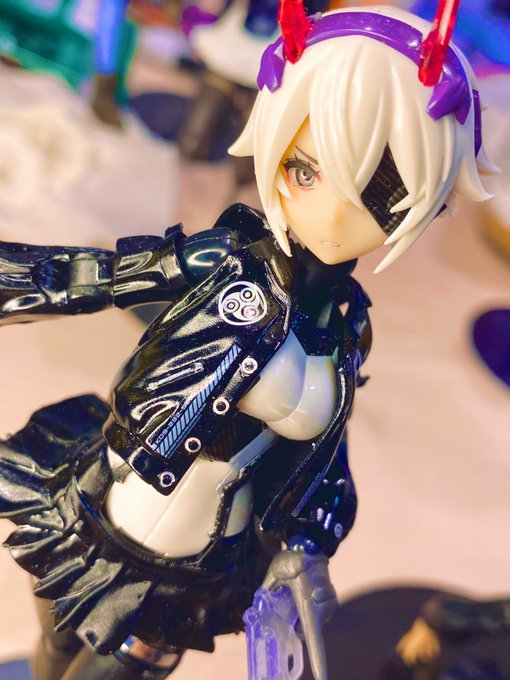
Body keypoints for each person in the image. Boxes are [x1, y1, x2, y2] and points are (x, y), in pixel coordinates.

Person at [0, 5, 492, 680]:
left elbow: (324, 457)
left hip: (192, 573)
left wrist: (310, 541)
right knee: (51, 653)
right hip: (102, 508)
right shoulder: (230, 259)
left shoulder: (348, 327)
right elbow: (102, 276)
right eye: (305, 171)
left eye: (382, 191)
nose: (334, 212)